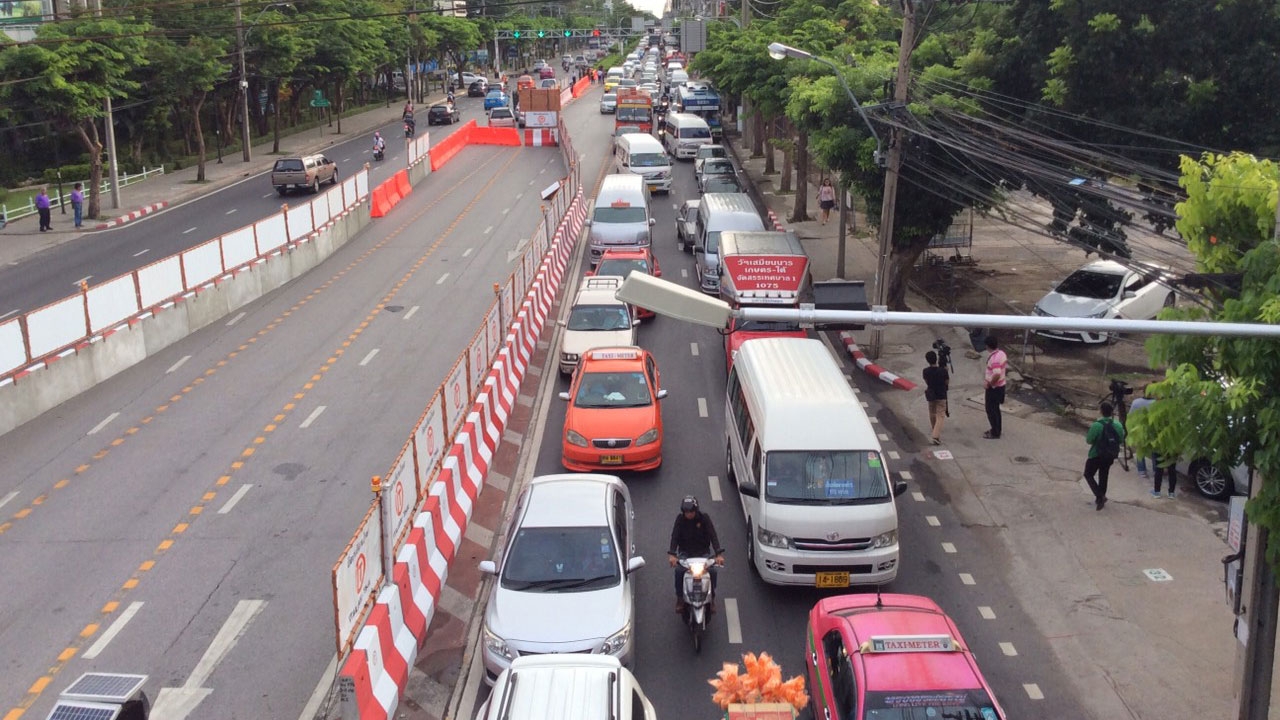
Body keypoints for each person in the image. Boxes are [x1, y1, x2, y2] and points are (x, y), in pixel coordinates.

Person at [668, 495, 724, 613]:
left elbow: (713, 535)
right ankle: (680, 598)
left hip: (703, 554)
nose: (689, 514)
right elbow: (675, 537)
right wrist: (672, 554)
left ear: (696, 511)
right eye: (686, 512)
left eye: (691, 512)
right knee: (679, 571)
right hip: (685, 554)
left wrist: (718, 554)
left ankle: (712, 597)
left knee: (712, 572)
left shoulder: (704, 519)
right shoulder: (680, 520)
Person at [1084, 401, 1126, 510]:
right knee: (1104, 474)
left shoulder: (1097, 425)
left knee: (1088, 474)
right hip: (1110, 454)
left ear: (1101, 411)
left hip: (1096, 454)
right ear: (1112, 412)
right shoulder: (1118, 425)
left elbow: (1089, 440)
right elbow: (1121, 439)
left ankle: (1100, 495)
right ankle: (1100, 497)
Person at [922, 350, 949, 445]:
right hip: (941, 394)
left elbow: (926, 381)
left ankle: (934, 429)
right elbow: (947, 382)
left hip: (931, 394)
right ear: (936, 359)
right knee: (940, 415)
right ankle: (936, 436)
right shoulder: (943, 371)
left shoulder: (925, 371)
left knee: (932, 413)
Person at [982, 335, 1007, 439]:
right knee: (996, 409)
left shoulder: (994, 359)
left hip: (994, 388)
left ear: (988, 346)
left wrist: (989, 383)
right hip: (1001, 386)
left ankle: (995, 432)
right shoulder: (1001, 354)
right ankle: (996, 429)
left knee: (990, 409)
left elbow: (996, 373)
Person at [1128, 385, 1155, 479]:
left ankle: (1142, 471)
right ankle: (1156, 470)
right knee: (1154, 451)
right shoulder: (1156, 403)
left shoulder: (1136, 402)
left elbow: (1130, 416)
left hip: (1139, 430)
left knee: (1140, 451)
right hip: (1153, 430)